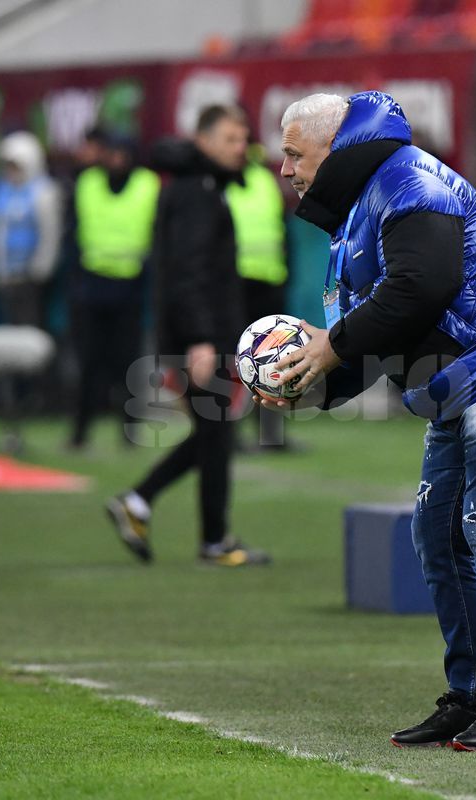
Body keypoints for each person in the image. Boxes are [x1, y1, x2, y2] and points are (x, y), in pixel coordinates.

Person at [264, 92, 476, 751]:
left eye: (294, 153)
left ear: (335, 146)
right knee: (437, 538)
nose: (284, 168)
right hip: (461, 379)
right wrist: (308, 385)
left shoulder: (407, 180)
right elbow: (380, 334)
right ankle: (472, 694)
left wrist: (332, 344)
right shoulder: (358, 212)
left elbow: (420, 287)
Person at [105, 105, 269, 568]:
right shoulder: (198, 192)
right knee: (216, 434)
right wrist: (200, 339)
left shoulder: (196, 187)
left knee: (213, 434)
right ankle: (208, 538)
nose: (242, 148)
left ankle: (140, 503)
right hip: (200, 334)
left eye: (243, 139)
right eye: (232, 139)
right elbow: (189, 274)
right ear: (205, 141)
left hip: (199, 330)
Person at [66, 131, 159, 451]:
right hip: (92, 287)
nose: (117, 160)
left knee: (128, 364)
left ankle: (129, 431)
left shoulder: (147, 185)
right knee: (90, 363)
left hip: (130, 287)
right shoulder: (87, 183)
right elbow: (74, 231)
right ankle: (80, 432)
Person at [226, 140, 291, 449]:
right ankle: (229, 434)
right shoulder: (222, 183)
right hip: (234, 284)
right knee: (234, 364)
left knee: (274, 362)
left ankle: (271, 436)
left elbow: (280, 228)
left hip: (268, 280)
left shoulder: (266, 180)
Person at [0, 131, 61, 329]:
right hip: (5, 273)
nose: (10, 171)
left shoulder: (42, 192)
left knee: (31, 325)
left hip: (30, 275)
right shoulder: (0, 190)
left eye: (15, 166)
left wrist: (41, 268)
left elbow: (50, 234)